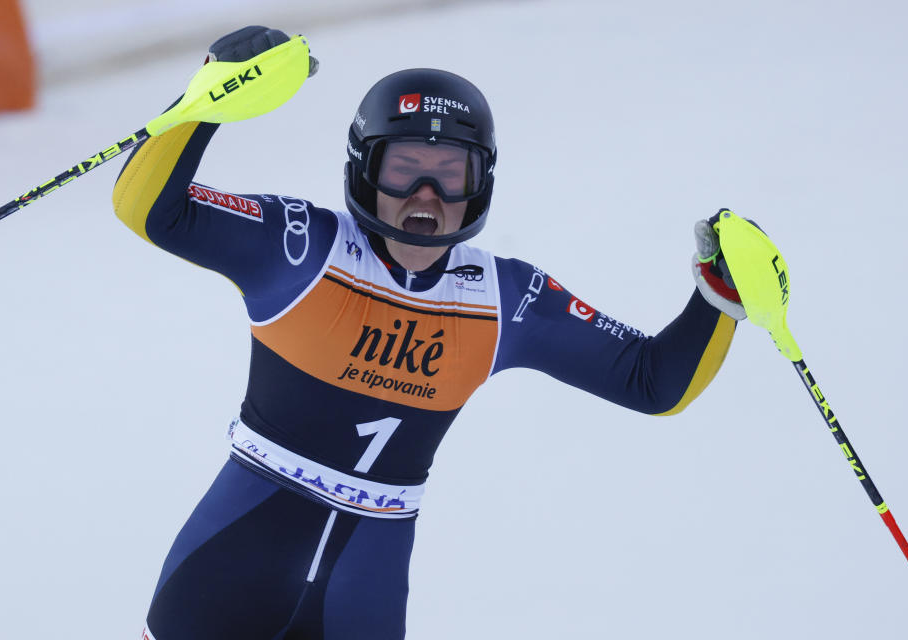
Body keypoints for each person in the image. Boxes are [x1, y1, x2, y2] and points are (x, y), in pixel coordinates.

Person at [113, 26, 746, 640]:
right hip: (225, 573)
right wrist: (207, 102)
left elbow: (655, 381)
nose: (426, 195)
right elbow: (149, 209)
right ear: (364, 170)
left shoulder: (507, 297)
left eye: (451, 174)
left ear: (481, 185)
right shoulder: (297, 244)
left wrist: (719, 295)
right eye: (404, 169)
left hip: (361, 595)